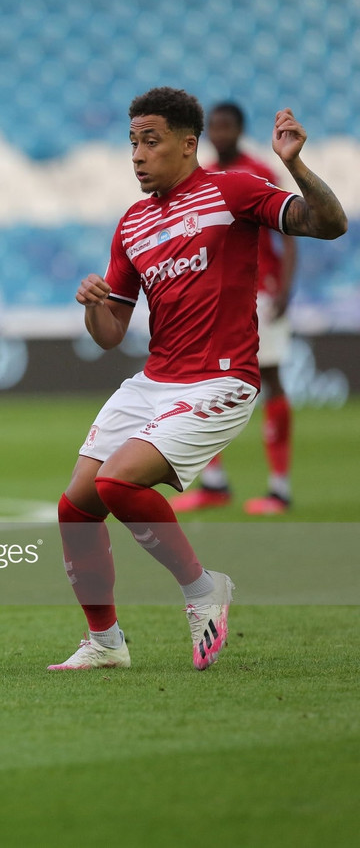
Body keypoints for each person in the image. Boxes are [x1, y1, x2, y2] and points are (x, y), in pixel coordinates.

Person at [51, 88, 346, 671]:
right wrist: (92, 304)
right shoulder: (132, 224)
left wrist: (294, 165)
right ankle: (105, 645)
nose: (137, 154)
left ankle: (202, 587)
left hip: (220, 381)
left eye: (151, 140)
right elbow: (111, 332)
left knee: (118, 483)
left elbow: (328, 224)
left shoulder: (232, 190)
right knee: (75, 508)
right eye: (132, 142)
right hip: (155, 381)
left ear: (189, 145)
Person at [172, 101, 298, 516]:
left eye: (228, 127)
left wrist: (287, 288)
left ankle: (279, 488)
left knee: (272, 379)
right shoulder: (201, 176)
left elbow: (290, 230)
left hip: (263, 290)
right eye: (216, 127)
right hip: (219, 298)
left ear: (239, 130)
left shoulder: (258, 171)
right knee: (202, 380)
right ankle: (214, 482)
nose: (220, 134)